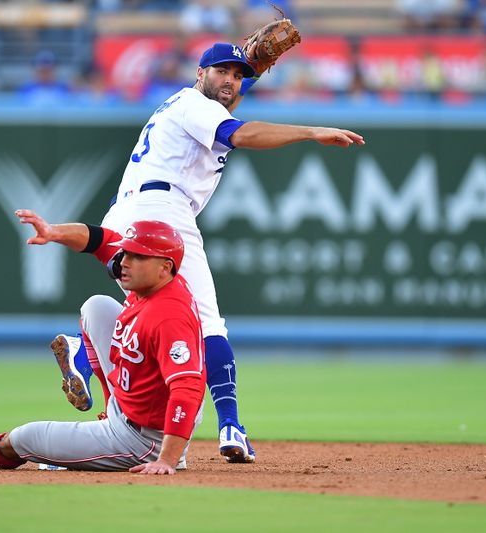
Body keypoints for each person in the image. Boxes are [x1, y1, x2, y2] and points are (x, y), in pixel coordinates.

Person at [51, 42, 365, 464]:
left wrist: (246, 69)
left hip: (127, 211)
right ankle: (230, 424)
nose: (230, 81)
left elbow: (228, 104)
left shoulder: (185, 105)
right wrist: (311, 131)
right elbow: (239, 133)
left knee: (144, 318)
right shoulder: (194, 104)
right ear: (200, 73)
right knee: (208, 323)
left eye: (238, 75)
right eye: (222, 72)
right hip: (162, 211)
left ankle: (86, 359)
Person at [0, 215, 206, 475]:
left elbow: (189, 387)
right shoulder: (151, 279)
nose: (124, 260)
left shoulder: (168, 315)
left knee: (26, 438)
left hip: (143, 437)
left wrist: (166, 457)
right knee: (97, 306)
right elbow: (101, 239)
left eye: (137, 255)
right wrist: (54, 232)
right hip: (137, 406)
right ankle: (113, 410)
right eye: (127, 252)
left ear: (165, 266)